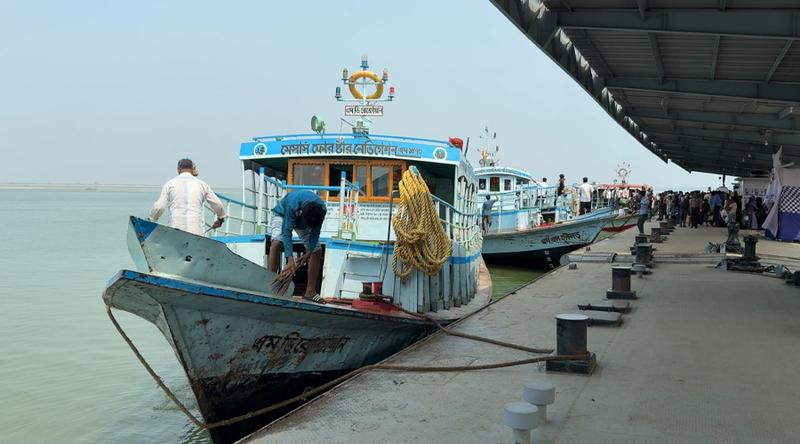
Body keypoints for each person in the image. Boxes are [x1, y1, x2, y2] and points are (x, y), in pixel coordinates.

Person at [268, 190, 327, 303]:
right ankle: (270, 283)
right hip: (282, 214)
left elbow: (315, 234)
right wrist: (290, 260)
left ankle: (310, 291)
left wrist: (308, 253)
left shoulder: (321, 210)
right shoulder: (292, 204)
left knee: (317, 251)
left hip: (305, 221)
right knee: (276, 243)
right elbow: (287, 232)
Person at [149, 158, 225, 235]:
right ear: (192, 169)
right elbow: (218, 204)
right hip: (196, 232)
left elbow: (159, 207)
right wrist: (220, 218)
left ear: (178, 169)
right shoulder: (202, 185)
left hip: (175, 229)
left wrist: (151, 219)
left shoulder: (169, 184)